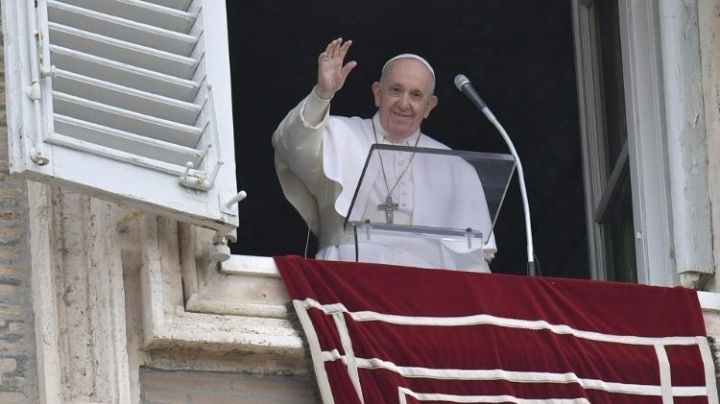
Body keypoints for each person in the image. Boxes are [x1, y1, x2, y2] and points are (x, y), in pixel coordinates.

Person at [273, 38, 496, 271]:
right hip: (343, 275)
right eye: (396, 90)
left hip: (424, 290)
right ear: (378, 93)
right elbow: (289, 144)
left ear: (429, 106)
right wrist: (322, 94)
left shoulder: (455, 167)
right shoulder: (337, 134)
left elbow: (474, 262)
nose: (404, 103)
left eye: (416, 95)